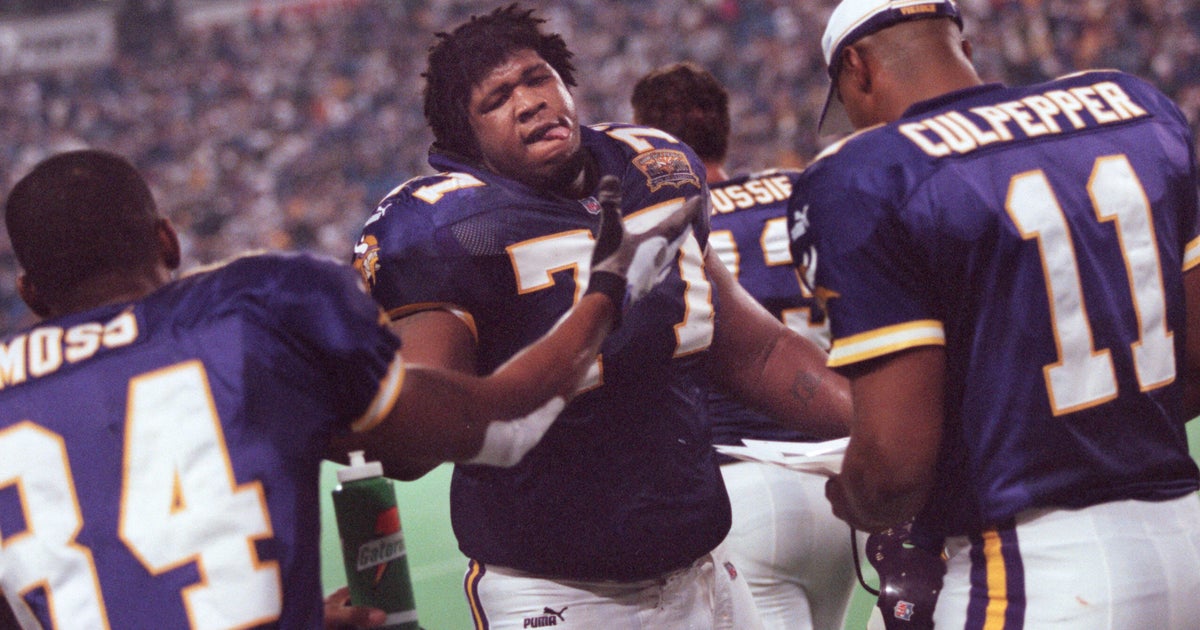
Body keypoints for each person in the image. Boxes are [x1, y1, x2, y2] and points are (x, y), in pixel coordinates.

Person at [0, 148, 696, 628]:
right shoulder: (257, 309)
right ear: (167, 240)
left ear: (29, 293)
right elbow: (502, 430)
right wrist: (607, 292)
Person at [351, 5, 852, 629]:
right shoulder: (446, 231)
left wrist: (877, 424)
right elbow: (418, 438)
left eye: (537, 78)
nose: (529, 102)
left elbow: (758, 353)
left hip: (705, 571)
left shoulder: (653, 172)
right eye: (497, 99)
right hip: (558, 593)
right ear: (465, 141)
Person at [790, 0, 1200, 628]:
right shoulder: (1131, 102)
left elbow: (894, 467)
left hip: (1033, 566)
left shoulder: (867, 173)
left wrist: (856, 496)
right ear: (964, 47)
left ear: (858, 68)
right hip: (1186, 535)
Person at [630, 61, 856, 630]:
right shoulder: (801, 190)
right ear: (725, 128)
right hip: (844, 469)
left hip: (740, 483)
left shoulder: (663, 224)